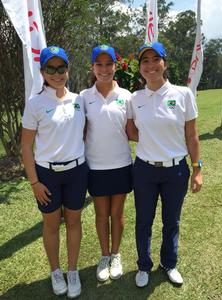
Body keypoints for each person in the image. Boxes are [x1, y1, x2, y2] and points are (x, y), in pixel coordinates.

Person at [127, 42, 203, 287]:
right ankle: (144, 266)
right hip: (144, 170)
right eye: (145, 61)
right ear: (140, 68)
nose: (150, 65)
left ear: (165, 63)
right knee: (143, 221)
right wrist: (152, 139)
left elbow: (192, 135)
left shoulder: (183, 94)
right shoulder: (135, 98)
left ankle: (169, 263)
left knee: (172, 220)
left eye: (155, 59)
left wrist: (197, 168)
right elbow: (130, 130)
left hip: (176, 170)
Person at [21, 46, 88, 298]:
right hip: (46, 175)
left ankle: (72, 270)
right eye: (51, 68)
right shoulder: (35, 103)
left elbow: (82, 133)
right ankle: (56, 271)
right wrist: (34, 182)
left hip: (77, 172)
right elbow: (26, 146)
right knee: (51, 224)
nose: (57, 73)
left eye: (62, 68)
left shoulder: (78, 100)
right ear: (43, 71)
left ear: (68, 69)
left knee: (74, 221)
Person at [80, 44, 134, 282]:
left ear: (115, 65)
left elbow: (134, 131)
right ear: (93, 67)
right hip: (96, 166)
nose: (104, 69)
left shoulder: (127, 97)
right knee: (101, 215)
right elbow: (79, 133)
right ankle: (104, 256)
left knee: (117, 213)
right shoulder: (83, 98)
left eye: (108, 64)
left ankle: (116, 254)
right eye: (99, 64)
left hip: (121, 164)